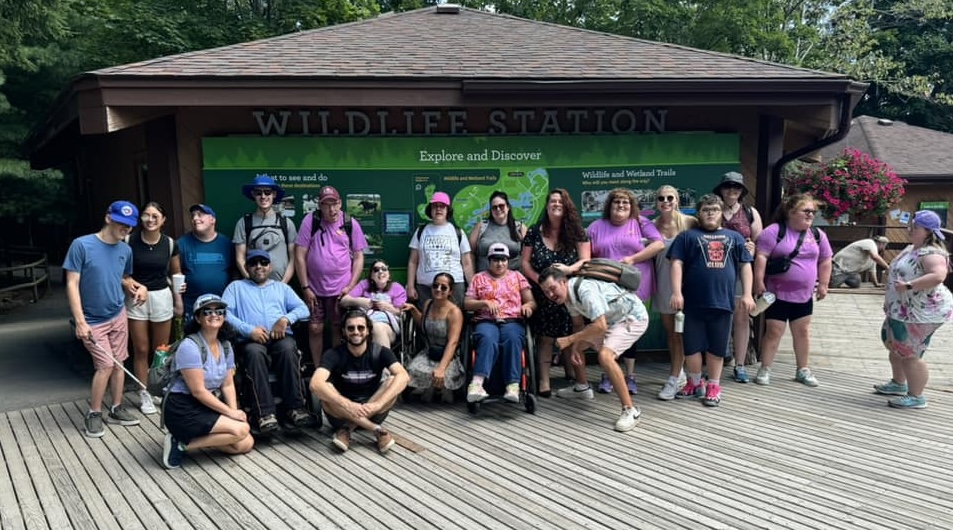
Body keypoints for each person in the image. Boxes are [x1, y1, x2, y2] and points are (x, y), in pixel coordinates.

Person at [64, 200, 145, 438]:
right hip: (91, 319)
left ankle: (117, 408)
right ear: (108, 218)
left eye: (129, 226)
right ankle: (94, 412)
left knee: (120, 361)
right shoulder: (82, 245)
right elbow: (71, 283)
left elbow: (123, 277)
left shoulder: (125, 250)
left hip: (117, 313)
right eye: (121, 223)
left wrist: (137, 287)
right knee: (105, 365)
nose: (125, 229)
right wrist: (80, 321)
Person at [668, 193, 754, 407]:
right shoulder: (686, 237)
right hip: (693, 302)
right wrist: (676, 292)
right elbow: (676, 263)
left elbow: (745, 265)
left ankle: (714, 385)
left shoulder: (734, 237)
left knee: (717, 347)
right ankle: (695, 383)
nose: (710, 214)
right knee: (692, 347)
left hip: (722, 302)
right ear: (699, 213)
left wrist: (747, 294)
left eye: (714, 210)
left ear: (721, 213)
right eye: (706, 210)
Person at [538, 267, 647, 432]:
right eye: (546, 292)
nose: (551, 295)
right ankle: (582, 387)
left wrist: (569, 340)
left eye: (552, 289)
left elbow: (600, 325)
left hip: (631, 318)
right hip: (611, 321)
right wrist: (575, 346)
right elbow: (578, 326)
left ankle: (630, 410)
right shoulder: (568, 298)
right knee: (577, 344)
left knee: (605, 356)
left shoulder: (584, 291)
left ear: (563, 282)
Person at [222, 250, 312, 434]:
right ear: (246, 267)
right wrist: (249, 330)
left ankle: (295, 408)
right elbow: (225, 314)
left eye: (263, 263)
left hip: (279, 337)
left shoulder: (281, 288)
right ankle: (264, 414)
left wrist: (286, 319)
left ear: (270, 267)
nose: (259, 267)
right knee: (254, 353)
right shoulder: (236, 287)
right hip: (250, 339)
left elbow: (304, 309)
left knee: (288, 348)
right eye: (253, 263)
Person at [161, 294, 254, 469]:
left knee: (245, 443)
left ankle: (190, 441)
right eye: (207, 312)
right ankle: (180, 444)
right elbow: (198, 391)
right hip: (182, 407)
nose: (214, 315)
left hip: (205, 404)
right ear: (197, 317)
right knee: (241, 431)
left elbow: (227, 384)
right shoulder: (189, 346)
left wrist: (233, 412)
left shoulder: (225, 346)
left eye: (219, 311)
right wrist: (231, 415)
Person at [587, 188, 664, 395]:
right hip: (605, 288)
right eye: (616, 202)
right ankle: (607, 374)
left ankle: (630, 376)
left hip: (633, 287)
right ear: (609, 206)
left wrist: (633, 259)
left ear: (631, 206)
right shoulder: (596, 227)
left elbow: (658, 244)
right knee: (607, 329)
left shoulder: (640, 223)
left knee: (629, 330)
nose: (621, 206)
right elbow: (587, 255)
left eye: (625, 203)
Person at [874, 210, 953, 409]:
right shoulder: (912, 249)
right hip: (902, 309)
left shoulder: (932, 253)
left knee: (910, 353)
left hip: (921, 312)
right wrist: (889, 300)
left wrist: (909, 285)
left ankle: (916, 395)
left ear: (928, 231)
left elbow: (938, 275)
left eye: (915, 227)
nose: (910, 229)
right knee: (894, 344)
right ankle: (898, 384)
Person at [753, 193, 832, 387]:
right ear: (791, 211)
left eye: (813, 212)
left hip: (804, 295)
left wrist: (823, 283)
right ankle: (765, 368)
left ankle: (803, 369)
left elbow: (826, 259)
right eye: (806, 211)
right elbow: (761, 256)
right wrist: (758, 281)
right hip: (777, 292)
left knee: (803, 331)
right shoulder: (773, 232)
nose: (811, 215)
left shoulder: (817, 235)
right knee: (774, 331)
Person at [521, 189, 590, 397]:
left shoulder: (577, 231)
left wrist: (568, 270)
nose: (556, 204)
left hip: (568, 292)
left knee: (570, 333)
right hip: (542, 294)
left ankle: (574, 374)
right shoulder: (534, 231)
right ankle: (544, 380)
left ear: (567, 205)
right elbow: (524, 262)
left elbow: (585, 260)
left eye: (560, 201)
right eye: (552, 201)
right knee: (546, 337)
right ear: (547, 205)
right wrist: (541, 283)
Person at [310, 310, 409, 454]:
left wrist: (377, 404)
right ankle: (377, 431)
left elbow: (404, 376)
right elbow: (315, 384)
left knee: (394, 380)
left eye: (361, 328)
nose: (356, 332)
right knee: (325, 388)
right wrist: (348, 405)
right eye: (351, 328)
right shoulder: (334, 354)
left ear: (368, 331)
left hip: (373, 411)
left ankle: (346, 430)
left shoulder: (381, 352)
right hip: (341, 414)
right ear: (343, 331)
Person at [295, 185, 368, 367]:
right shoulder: (310, 221)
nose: (331, 209)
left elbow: (359, 257)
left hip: (341, 289)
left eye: (334, 204)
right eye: (326, 205)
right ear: (320, 206)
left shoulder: (350, 223)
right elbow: (299, 255)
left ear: (340, 203)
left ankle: (335, 368)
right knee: (315, 327)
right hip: (314, 288)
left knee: (338, 327)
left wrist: (350, 287)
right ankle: (319, 368)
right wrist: (305, 287)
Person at [125, 201, 183, 415]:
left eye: (155, 216)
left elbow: (176, 273)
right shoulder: (129, 241)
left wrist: (179, 301)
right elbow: (122, 272)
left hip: (161, 296)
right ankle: (143, 393)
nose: (150, 220)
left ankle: (157, 388)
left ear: (163, 220)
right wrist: (134, 286)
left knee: (160, 349)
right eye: (146, 215)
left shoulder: (169, 243)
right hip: (136, 298)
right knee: (140, 349)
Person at [463, 244, 536, 403]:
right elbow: (467, 303)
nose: (499, 263)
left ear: (508, 260)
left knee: (513, 339)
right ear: (489, 261)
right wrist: (483, 303)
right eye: (495, 259)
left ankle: (513, 385)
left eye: (503, 259)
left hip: (512, 320)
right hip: (486, 319)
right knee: (487, 338)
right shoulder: (478, 278)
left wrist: (527, 306)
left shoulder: (517, 276)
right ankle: (477, 384)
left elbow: (531, 302)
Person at [713, 171, 764, 383]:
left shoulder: (750, 213)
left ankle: (739, 364)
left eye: (736, 187)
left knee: (741, 318)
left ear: (742, 191)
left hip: (742, 270)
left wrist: (753, 249)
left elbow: (761, 243)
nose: (732, 190)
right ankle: (717, 358)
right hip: (715, 271)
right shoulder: (713, 210)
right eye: (728, 186)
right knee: (716, 316)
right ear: (721, 189)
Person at [652, 185, 695, 400]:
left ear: (677, 200)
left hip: (689, 285)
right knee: (672, 333)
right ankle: (679, 374)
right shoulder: (651, 226)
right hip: (663, 284)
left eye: (670, 197)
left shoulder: (690, 222)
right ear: (656, 202)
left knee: (685, 333)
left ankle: (676, 376)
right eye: (661, 198)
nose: (666, 201)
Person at [402, 273, 466, 403]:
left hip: (448, 356)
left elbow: (453, 343)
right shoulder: (428, 304)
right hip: (428, 353)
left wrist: (442, 368)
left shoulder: (455, 312)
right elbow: (424, 324)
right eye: (435, 286)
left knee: (443, 379)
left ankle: (436, 390)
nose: (438, 289)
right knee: (411, 370)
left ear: (450, 291)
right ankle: (431, 389)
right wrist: (413, 309)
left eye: (443, 287)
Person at [407, 191, 473, 307]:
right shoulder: (421, 231)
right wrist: (411, 286)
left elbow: (467, 263)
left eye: (442, 206)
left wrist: (472, 288)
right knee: (427, 321)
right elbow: (413, 261)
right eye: (435, 206)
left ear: (448, 210)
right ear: (430, 210)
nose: (438, 209)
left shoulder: (458, 232)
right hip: (425, 287)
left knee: (454, 321)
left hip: (454, 287)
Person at [234, 175, 297, 283]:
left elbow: (293, 258)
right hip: (253, 288)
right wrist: (251, 282)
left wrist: (283, 285)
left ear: (274, 194)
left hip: (281, 287)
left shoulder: (286, 223)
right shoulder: (244, 223)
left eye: (267, 192)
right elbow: (240, 259)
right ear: (253, 195)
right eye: (258, 193)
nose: (263, 196)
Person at [178, 204, 234, 315]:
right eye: (193, 216)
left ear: (212, 219)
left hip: (221, 309)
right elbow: (172, 272)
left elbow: (234, 272)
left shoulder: (226, 244)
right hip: (192, 309)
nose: (195, 218)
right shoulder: (181, 244)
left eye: (200, 215)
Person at [340, 260, 406, 349]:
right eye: (376, 269)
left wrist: (389, 308)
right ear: (371, 275)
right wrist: (361, 301)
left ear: (389, 275)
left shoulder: (397, 288)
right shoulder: (364, 284)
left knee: (377, 327)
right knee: (355, 329)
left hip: (387, 327)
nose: (380, 271)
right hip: (363, 324)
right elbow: (344, 301)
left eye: (384, 269)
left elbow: (402, 313)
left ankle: (385, 361)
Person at [468, 191, 527, 273]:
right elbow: (470, 254)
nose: (498, 209)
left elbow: (527, 257)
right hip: (484, 281)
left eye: (501, 206)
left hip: (512, 281)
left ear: (508, 207)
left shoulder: (519, 227)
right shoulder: (481, 226)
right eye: (494, 207)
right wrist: (472, 280)